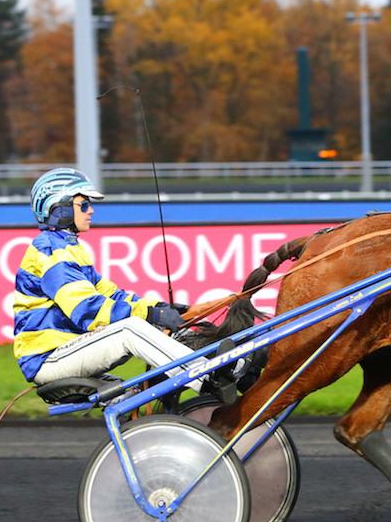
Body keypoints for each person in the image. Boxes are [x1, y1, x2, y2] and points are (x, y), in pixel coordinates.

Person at [12, 167, 233, 393]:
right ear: (60, 208)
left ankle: (227, 366)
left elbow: (113, 295)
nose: (91, 211)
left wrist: (159, 308)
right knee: (130, 330)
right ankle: (206, 379)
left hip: (65, 350)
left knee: (154, 324)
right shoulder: (50, 250)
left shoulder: (69, 248)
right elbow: (87, 310)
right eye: (84, 205)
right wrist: (150, 315)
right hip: (46, 358)